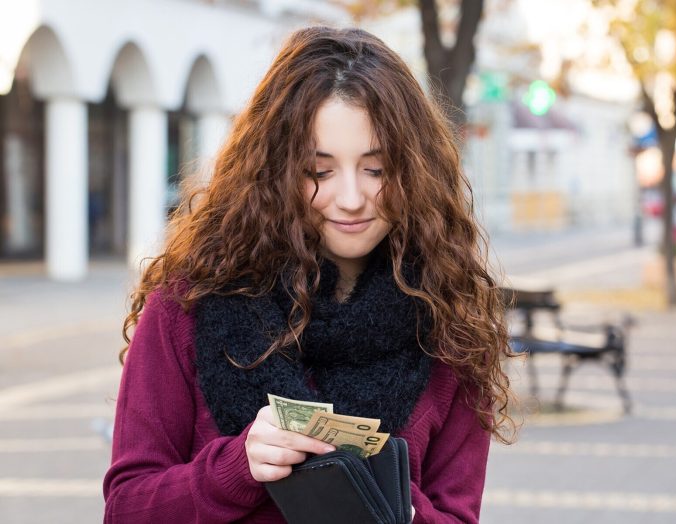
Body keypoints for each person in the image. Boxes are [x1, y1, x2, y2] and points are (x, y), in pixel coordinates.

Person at [103, 26, 515, 523]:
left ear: (414, 171)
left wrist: (396, 509)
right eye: (319, 172)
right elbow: (127, 507)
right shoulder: (187, 305)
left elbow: (457, 514)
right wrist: (237, 467)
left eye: (377, 169)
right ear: (274, 171)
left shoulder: (451, 326)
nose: (350, 198)